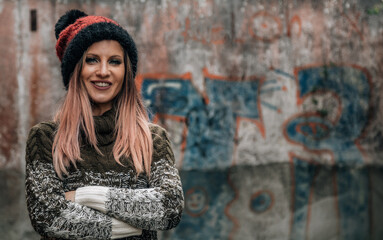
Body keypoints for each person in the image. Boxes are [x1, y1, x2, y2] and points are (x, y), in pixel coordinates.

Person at [25, 9, 184, 240]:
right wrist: (134, 224)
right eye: (91, 60)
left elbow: (169, 207)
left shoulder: (152, 138)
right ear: (75, 70)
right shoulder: (45, 139)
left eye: (115, 62)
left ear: (125, 71)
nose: (103, 72)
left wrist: (81, 197)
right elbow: (48, 216)